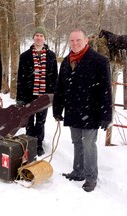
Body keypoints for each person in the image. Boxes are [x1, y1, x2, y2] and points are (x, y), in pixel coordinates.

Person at [52, 28, 112, 192]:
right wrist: (57, 109)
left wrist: (106, 115)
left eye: (78, 40)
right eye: (72, 40)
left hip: (91, 111)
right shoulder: (66, 61)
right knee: (77, 142)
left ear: (86, 41)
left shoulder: (99, 60)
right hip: (73, 110)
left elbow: (106, 90)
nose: (75, 43)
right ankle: (78, 171)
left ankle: (91, 177)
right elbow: (60, 87)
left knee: (88, 144)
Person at [16, 26, 58, 156]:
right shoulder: (25, 56)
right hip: (29, 95)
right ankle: (29, 143)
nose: (39, 38)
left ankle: (38, 144)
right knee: (29, 120)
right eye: (37, 35)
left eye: (41, 36)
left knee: (41, 121)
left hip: (44, 96)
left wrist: (53, 94)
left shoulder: (51, 55)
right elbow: (21, 78)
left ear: (44, 38)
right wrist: (20, 98)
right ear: (33, 38)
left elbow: (54, 76)